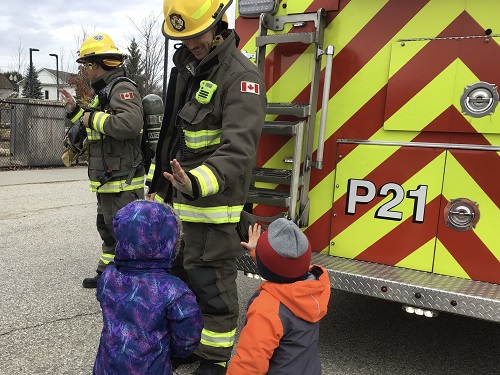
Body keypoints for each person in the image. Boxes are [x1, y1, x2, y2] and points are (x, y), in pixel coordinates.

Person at [147, 1, 267, 374]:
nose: (191, 44)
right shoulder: (187, 69)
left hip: (213, 209)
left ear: (218, 25)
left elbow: (238, 152)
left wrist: (194, 182)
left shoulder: (241, 76)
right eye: (182, 37)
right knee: (184, 279)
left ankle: (214, 358)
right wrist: (160, 188)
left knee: (213, 286)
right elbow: (172, 135)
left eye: (196, 35)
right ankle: (190, 344)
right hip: (180, 204)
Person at [60, 32, 145, 289]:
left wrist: (89, 118)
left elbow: (129, 124)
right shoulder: (103, 93)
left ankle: (133, 281)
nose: (86, 71)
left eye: (87, 65)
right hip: (106, 176)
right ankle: (107, 273)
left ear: (98, 64)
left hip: (122, 180)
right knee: (107, 228)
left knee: (127, 231)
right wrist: (76, 112)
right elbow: (93, 127)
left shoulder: (122, 88)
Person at [93, 200, 203, 375]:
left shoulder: (108, 277)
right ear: (172, 242)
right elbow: (188, 337)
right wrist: (171, 352)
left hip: (107, 367)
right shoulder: (175, 291)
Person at [226, 218, 331, 375]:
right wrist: (258, 251)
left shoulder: (267, 308)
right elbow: (284, 268)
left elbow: (248, 365)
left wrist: (262, 253)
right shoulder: (314, 287)